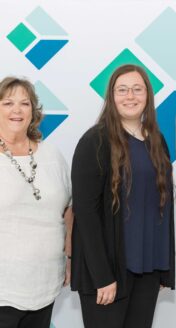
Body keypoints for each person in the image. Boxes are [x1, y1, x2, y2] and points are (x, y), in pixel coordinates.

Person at [71, 64, 175, 328]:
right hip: (108, 273)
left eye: (137, 89)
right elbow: (85, 213)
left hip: (147, 270)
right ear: (111, 97)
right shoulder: (95, 141)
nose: (130, 96)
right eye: (123, 90)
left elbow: (161, 207)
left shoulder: (157, 141)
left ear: (148, 96)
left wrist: (164, 269)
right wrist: (102, 276)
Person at [0, 77, 73, 328]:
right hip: (3, 288)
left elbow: (68, 211)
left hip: (46, 284)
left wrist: (70, 258)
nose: (17, 110)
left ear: (34, 110)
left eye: (25, 103)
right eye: (8, 103)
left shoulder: (52, 155)